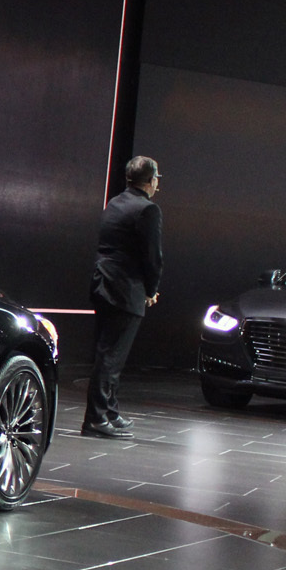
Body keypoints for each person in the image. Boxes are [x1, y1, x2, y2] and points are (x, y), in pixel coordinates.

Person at [83, 155, 162, 438]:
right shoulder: (147, 210)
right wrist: (151, 291)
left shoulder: (115, 203)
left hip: (103, 285)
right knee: (110, 357)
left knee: (109, 354)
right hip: (125, 290)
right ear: (151, 181)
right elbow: (152, 257)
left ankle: (110, 412)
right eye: (157, 180)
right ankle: (96, 418)